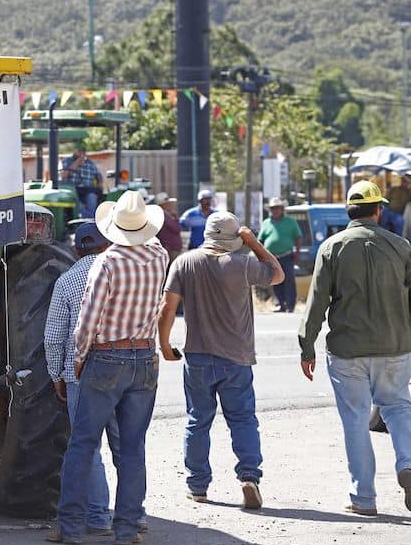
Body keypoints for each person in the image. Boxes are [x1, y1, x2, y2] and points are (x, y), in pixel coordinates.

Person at [47, 190, 168, 545]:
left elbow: (86, 321)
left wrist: (80, 357)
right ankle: (127, 528)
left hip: (106, 358)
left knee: (82, 444)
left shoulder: (107, 263)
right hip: (144, 358)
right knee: (132, 448)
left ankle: (70, 528)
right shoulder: (160, 256)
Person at [299, 180, 411, 516]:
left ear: (350, 212)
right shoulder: (401, 246)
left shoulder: (332, 248)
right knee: (398, 408)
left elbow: (316, 303)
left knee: (356, 419)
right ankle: (408, 463)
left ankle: (363, 498)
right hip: (395, 346)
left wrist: (307, 347)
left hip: (347, 351)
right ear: (378, 210)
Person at [159, 212, 282, 510]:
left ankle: (197, 486)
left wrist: (164, 345)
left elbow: (167, 308)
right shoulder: (243, 264)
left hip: (198, 356)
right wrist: (253, 242)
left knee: (197, 421)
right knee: (242, 419)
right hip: (236, 357)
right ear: (234, 239)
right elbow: (277, 274)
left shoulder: (184, 262)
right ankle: (249, 476)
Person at [44, 222, 121, 537]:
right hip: (123, 369)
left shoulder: (66, 280)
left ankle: (98, 517)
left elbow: (53, 337)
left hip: (80, 373)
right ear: (107, 245)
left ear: (75, 250)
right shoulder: (123, 276)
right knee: (126, 446)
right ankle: (135, 516)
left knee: (87, 448)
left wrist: (56, 375)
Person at [258, 197, 302, 313]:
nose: (275, 210)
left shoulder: (290, 222)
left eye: (277, 208)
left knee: (289, 280)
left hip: (286, 256)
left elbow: (298, 237)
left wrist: (297, 253)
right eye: (273, 208)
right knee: (276, 280)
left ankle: (290, 306)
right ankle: (280, 304)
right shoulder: (266, 223)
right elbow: (260, 240)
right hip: (271, 257)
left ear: (282, 209)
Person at [61, 142, 104, 219]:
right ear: (74, 151)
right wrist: (76, 163)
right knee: (78, 205)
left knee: (92, 197)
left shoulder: (91, 163)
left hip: (88, 190)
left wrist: (100, 183)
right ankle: (88, 219)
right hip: (73, 190)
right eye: (79, 150)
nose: (82, 153)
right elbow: (63, 176)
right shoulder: (66, 161)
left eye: (83, 151)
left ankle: (90, 219)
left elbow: (99, 175)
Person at [153, 192, 182, 264]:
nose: (169, 204)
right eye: (167, 203)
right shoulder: (163, 215)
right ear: (163, 204)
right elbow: (176, 229)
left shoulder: (166, 214)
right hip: (170, 248)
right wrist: (175, 219)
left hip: (170, 247)